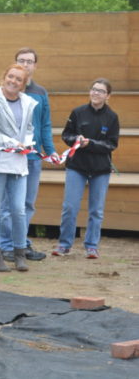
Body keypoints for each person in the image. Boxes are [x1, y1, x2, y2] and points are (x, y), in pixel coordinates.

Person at [0, 48, 59, 263]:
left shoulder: (40, 92)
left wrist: (50, 150)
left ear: (35, 66)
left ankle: (21, 243)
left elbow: (45, 124)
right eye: (21, 61)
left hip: (33, 157)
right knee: (9, 204)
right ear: (15, 63)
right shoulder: (7, 90)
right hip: (12, 156)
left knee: (27, 203)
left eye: (30, 61)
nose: (25, 65)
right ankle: (7, 245)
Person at [52, 78, 119, 259]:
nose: (96, 93)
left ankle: (91, 245)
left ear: (108, 96)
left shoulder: (112, 117)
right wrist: (76, 140)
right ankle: (64, 244)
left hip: (100, 170)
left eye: (101, 91)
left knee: (96, 210)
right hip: (77, 167)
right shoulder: (78, 112)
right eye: (94, 89)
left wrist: (90, 144)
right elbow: (66, 135)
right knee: (70, 207)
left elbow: (112, 144)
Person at [0, 64, 36, 272]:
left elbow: (29, 128)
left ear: (23, 83)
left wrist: (28, 142)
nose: (13, 81)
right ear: (4, 77)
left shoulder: (28, 102)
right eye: (10, 76)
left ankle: (19, 252)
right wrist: (11, 143)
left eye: (18, 79)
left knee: (19, 210)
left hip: (19, 163)